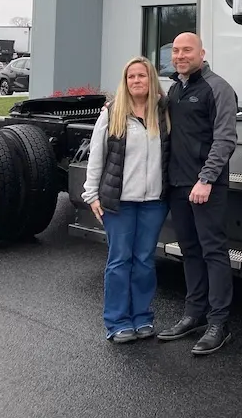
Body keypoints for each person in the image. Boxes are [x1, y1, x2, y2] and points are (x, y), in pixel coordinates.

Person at [157, 31, 239, 356]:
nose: (180, 55)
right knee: (189, 251)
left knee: (213, 252)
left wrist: (206, 179)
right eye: (175, 51)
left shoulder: (217, 88)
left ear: (201, 53)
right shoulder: (176, 89)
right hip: (179, 185)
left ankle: (220, 323)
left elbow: (225, 139)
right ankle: (194, 314)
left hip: (206, 186)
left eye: (186, 50)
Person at [82, 56, 171, 344]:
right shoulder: (112, 113)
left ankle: (142, 318)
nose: (136, 81)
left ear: (151, 80)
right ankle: (117, 322)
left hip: (154, 202)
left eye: (142, 76)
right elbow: (97, 155)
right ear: (125, 81)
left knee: (144, 261)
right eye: (131, 76)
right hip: (119, 203)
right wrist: (91, 194)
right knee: (120, 261)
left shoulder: (164, 113)